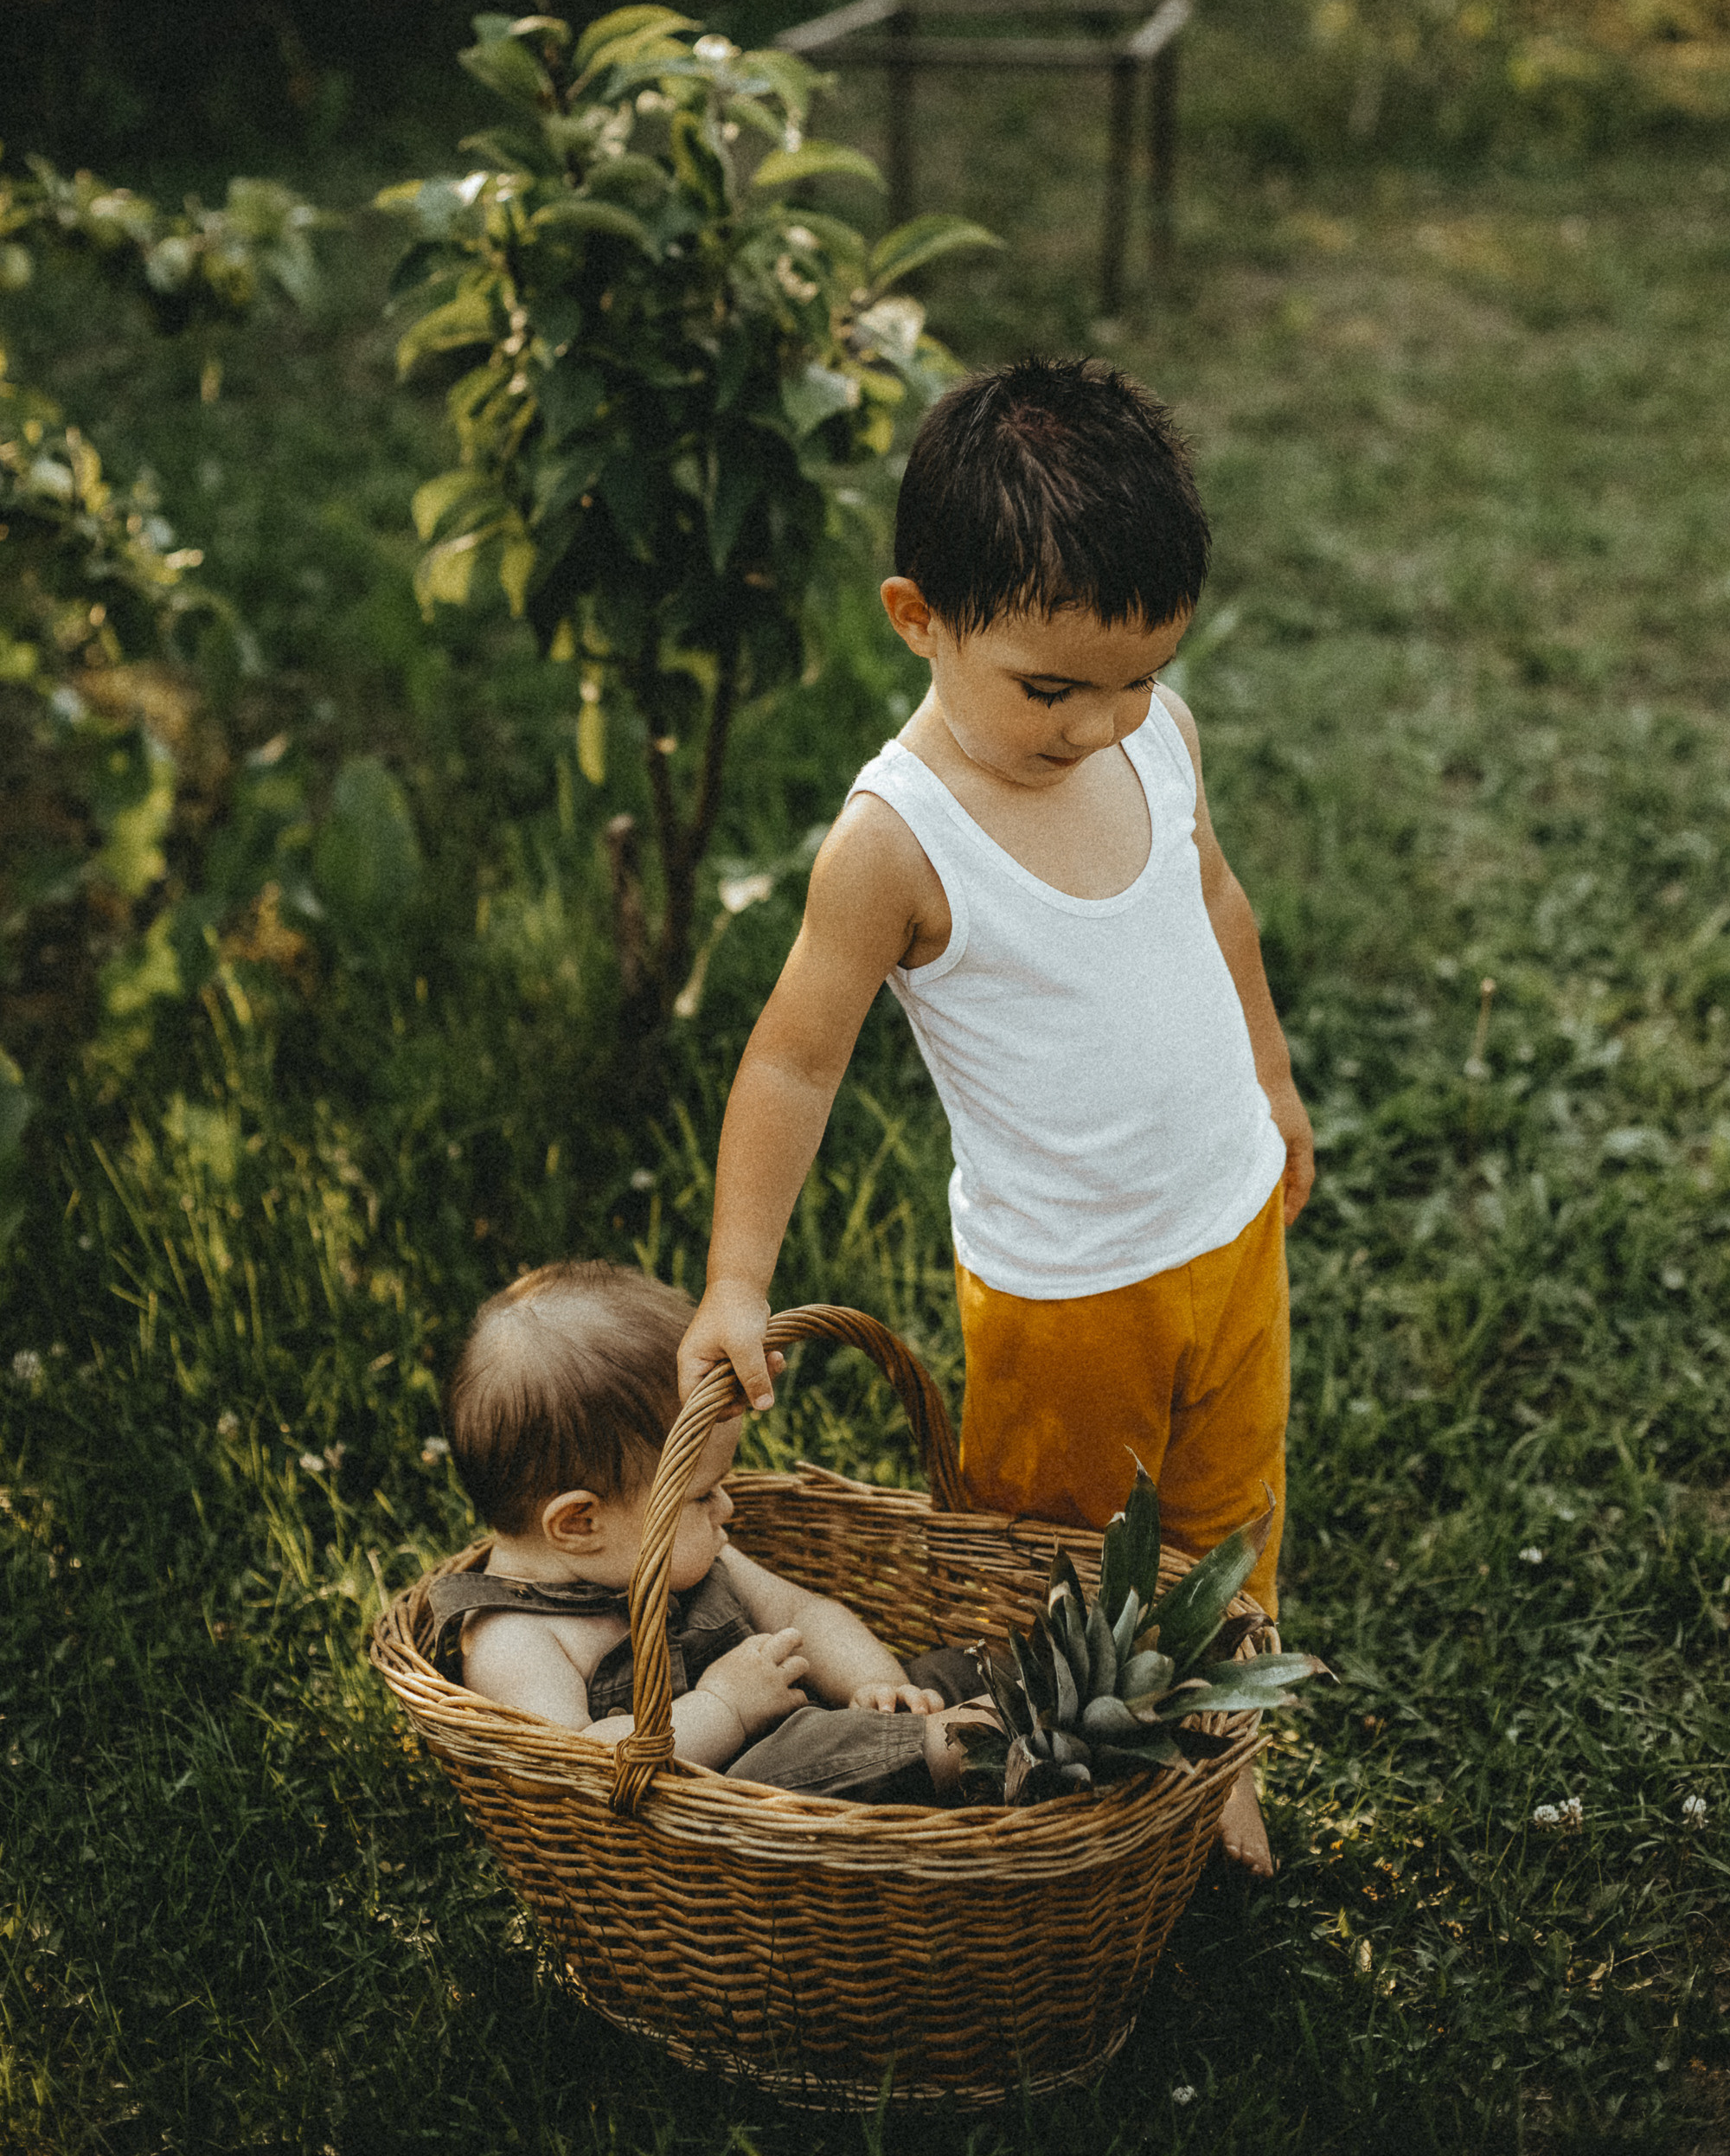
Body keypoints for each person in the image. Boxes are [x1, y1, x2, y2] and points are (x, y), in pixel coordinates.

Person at [677, 356, 1315, 1872]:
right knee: (1062, 1581)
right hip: (1063, 1301)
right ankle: (1059, 1844)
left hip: (1229, 1232)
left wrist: (1272, 1083)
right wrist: (736, 1281)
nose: (1102, 726)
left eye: (1138, 676)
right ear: (921, 620)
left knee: (1232, 1524)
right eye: (1051, 688)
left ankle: (1216, 1761)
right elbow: (792, 1063)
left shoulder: (1156, 737)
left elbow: (1216, 904)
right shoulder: (897, 842)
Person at [428, 1260, 988, 1800]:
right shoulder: (515, 1639)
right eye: (700, 1494)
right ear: (580, 1523)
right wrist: (723, 1707)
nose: (727, 1508)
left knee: (950, 1671)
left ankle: (985, 1713)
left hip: (839, 1733)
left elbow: (803, 1615)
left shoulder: (676, 1553)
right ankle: (983, 1751)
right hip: (746, 1804)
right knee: (803, 1756)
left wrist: (879, 1684)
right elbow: (571, 1767)